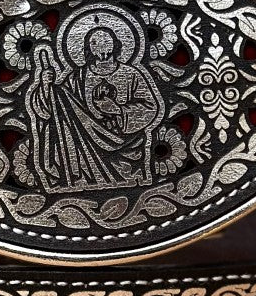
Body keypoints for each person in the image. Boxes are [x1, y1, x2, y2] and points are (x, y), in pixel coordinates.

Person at [27, 18, 163, 192]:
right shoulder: (77, 78)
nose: (102, 46)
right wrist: (46, 87)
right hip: (86, 153)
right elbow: (55, 107)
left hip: (128, 150)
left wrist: (118, 110)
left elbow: (151, 108)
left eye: (106, 41)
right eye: (95, 42)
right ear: (88, 48)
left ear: (116, 44)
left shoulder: (131, 74)